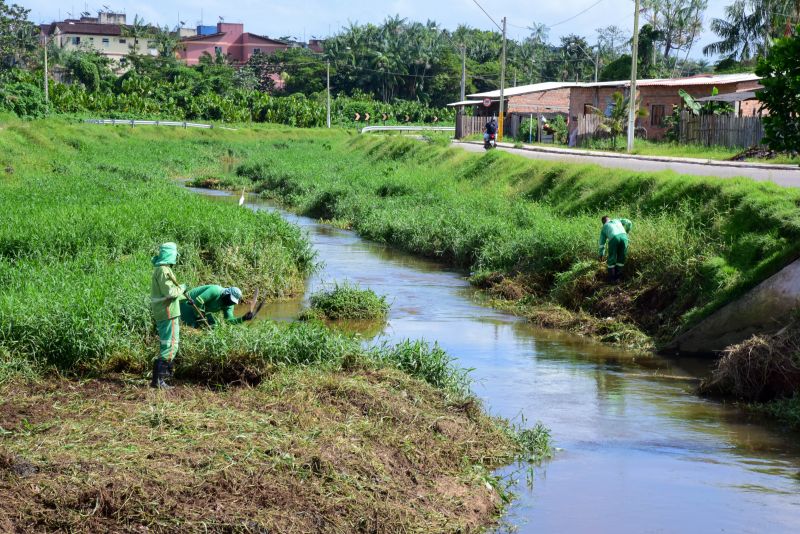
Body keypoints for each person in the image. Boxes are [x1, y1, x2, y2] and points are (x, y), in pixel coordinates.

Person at [150, 242, 186, 389]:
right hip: (168, 312)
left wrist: (182, 295)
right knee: (170, 345)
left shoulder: (160, 269)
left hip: (166, 311)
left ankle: (163, 378)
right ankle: (159, 381)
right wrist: (182, 288)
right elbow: (170, 293)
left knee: (168, 344)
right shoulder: (164, 270)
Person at [180, 285, 255, 328]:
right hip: (188, 304)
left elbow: (229, 320)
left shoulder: (229, 304)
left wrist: (243, 318)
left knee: (213, 326)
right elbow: (199, 301)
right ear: (226, 293)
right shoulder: (215, 290)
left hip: (202, 311)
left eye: (233, 301)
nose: (230, 302)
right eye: (230, 299)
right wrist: (199, 316)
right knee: (192, 326)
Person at [598, 216, 633, 282]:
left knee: (612, 258)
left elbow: (602, 243)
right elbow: (629, 222)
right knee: (621, 258)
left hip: (614, 238)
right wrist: (627, 231)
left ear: (603, 222)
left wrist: (601, 254)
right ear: (609, 219)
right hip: (624, 237)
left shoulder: (604, 227)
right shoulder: (617, 220)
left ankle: (612, 279)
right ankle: (618, 278)